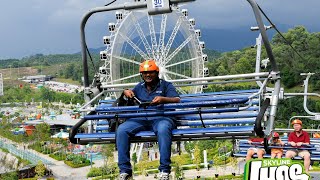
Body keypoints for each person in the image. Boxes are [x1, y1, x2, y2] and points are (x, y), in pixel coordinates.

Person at [116, 59, 180, 180]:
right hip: (141, 119)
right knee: (122, 130)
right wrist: (126, 92)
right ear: (142, 75)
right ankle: (125, 171)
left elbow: (177, 99)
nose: (148, 75)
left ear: (157, 73)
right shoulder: (139, 87)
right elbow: (130, 94)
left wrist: (163, 99)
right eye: (145, 73)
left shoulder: (166, 85)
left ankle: (164, 170)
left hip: (161, 117)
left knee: (163, 130)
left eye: (151, 72)